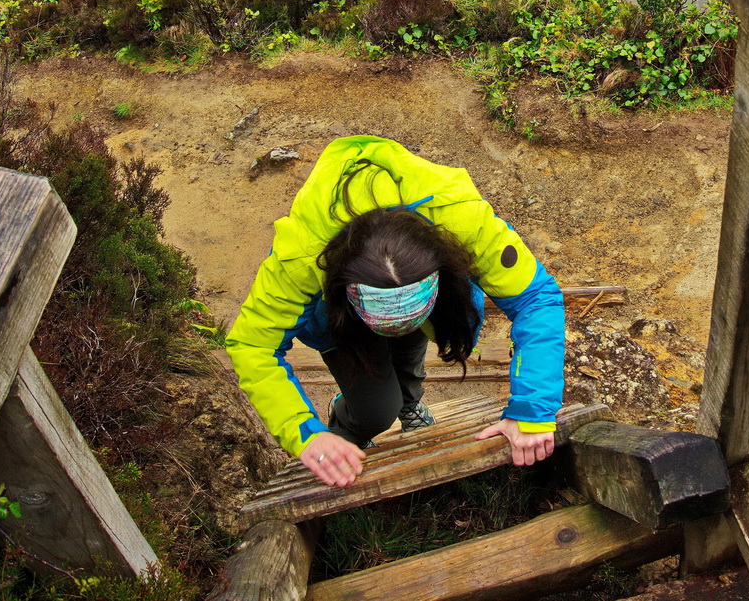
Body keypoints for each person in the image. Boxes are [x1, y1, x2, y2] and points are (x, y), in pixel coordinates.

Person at [226, 135, 566, 487]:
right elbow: (254, 346)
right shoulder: (299, 257)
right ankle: (350, 424)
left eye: (410, 315)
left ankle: (410, 400)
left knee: (409, 360)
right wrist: (307, 434)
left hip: (405, 293)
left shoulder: (461, 218)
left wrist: (531, 410)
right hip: (342, 324)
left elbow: (536, 297)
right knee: (376, 410)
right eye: (389, 320)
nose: (400, 328)